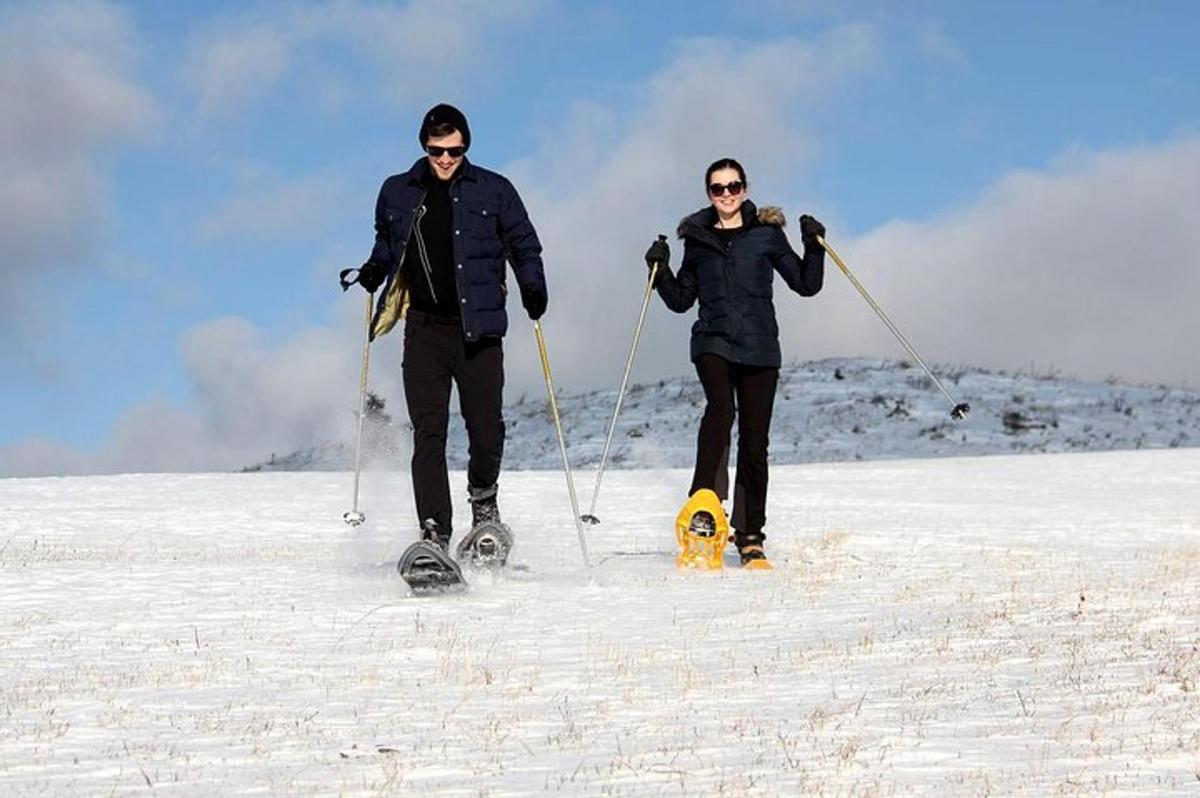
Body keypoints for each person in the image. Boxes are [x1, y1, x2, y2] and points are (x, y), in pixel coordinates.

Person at [353, 103, 547, 557]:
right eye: (437, 150)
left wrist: (533, 287)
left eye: (455, 151)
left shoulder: (494, 190)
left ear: (466, 147)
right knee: (429, 431)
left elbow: (524, 244)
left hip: (478, 332)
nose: (445, 159)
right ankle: (434, 530)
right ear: (424, 145)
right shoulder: (398, 190)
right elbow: (387, 243)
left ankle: (484, 507)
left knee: (485, 429)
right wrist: (373, 270)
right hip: (424, 330)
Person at [644, 158, 825, 567]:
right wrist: (659, 270)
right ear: (708, 193)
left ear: (745, 188)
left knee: (755, 439)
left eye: (733, 186)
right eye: (717, 188)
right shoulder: (698, 239)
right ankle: (703, 514)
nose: (726, 194)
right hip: (713, 342)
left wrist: (813, 245)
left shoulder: (766, 235)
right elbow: (679, 302)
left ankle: (750, 536)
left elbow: (807, 284)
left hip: (761, 348)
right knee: (720, 411)